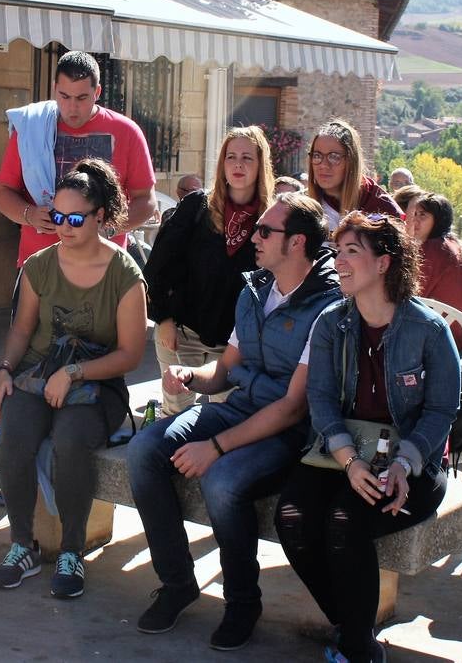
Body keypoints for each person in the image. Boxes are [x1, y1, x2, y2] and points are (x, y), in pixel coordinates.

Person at [129, 193, 341, 651]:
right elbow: (224, 370)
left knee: (222, 481)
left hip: (291, 433)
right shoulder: (256, 289)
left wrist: (217, 447)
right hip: (241, 407)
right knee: (144, 449)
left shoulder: (327, 307)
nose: (253, 237)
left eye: (265, 231)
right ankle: (177, 583)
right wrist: (192, 376)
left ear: (298, 242)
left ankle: (242, 602)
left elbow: (292, 408)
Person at [276, 212, 460, 663]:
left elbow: (441, 411)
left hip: (413, 461)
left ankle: (357, 648)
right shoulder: (331, 322)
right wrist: (350, 462)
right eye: (337, 252)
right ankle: (354, 628)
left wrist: (403, 465)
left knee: (345, 520)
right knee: (292, 517)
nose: (338, 261)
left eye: (351, 252)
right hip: (343, 452)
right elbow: (319, 400)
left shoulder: (428, 330)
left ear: (384, 263)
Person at [0, 159, 147, 600]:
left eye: (75, 218)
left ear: (100, 217)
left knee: (71, 439)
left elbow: (131, 355)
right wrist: (4, 370)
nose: (63, 226)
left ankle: (71, 551)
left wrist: (74, 371)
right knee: (15, 432)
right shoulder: (39, 265)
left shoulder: (124, 273)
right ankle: (21, 544)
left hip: (99, 381)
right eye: (57, 216)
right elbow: (21, 329)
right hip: (41, 373)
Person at [144, 126, 275, 415]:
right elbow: (157, 267)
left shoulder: (272, 218)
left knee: (225, 418)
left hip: (234, 342)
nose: (238, 164)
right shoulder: (197, 206)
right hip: (180, 331)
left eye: (247, 158)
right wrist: (163, 317)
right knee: (175, 415)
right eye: (231, 157)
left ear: (260, 165)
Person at [0, 50, 157, 270]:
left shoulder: (126, 131)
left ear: (97, 91)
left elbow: (146, 200)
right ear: (54, 89)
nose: (72, 107)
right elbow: (3, 193)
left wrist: (108, 228)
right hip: (40, 266)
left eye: (81, 98)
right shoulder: (31, 128)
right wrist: (29, 214)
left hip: (104, 267)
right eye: (64, 96)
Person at [405, 192, 462, 353]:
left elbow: (411, 295)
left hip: (444, 336)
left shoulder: (432, 249)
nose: (415, 221)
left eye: (423, 216)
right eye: (415, 214)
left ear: (438, 220)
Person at [306, 119, 401, 237]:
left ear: (351, 161)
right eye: (317, 155)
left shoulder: (383, 210)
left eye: (334, 157)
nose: (323, 165)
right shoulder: (303, 206)